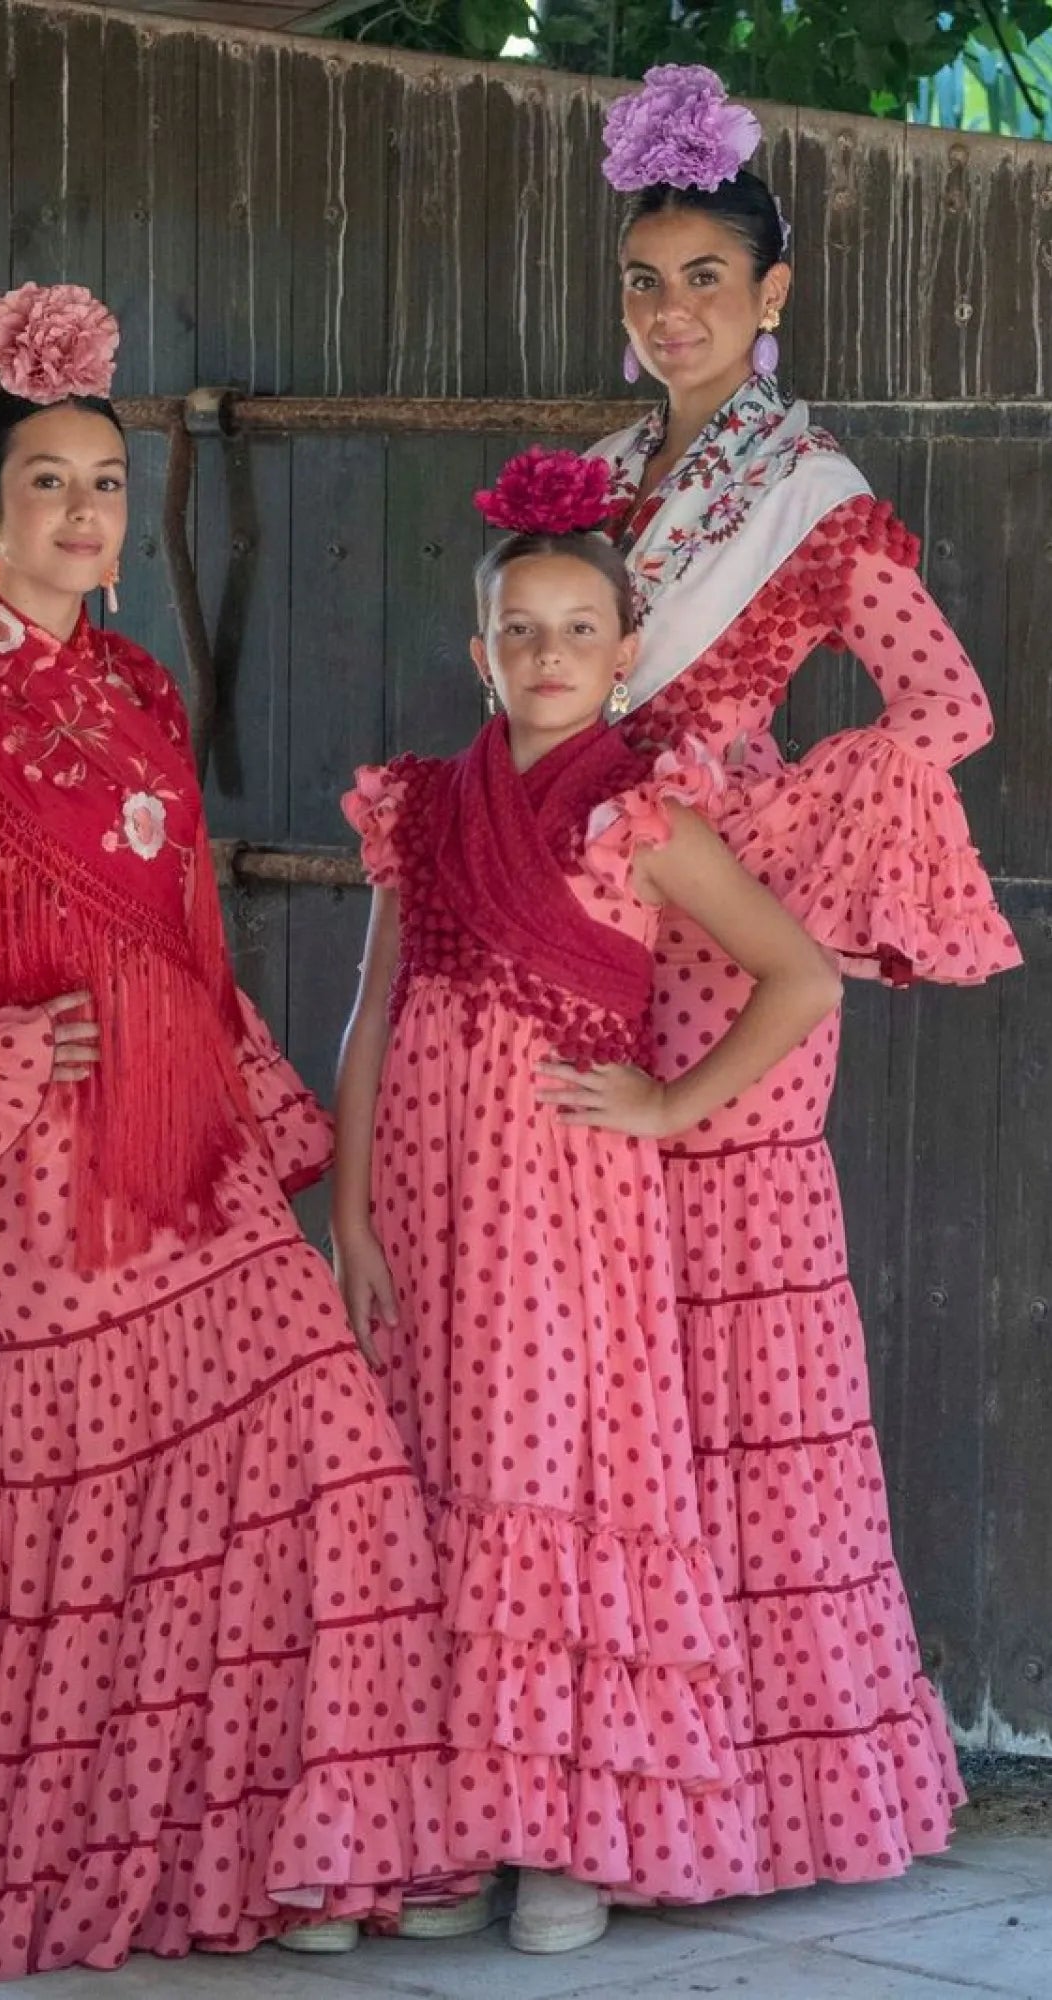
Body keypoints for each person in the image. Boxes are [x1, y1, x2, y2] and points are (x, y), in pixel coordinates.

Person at [0, 283, 459, 1997]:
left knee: (319, 1448)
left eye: (106, 483)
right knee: (100, 1513)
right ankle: (74, 1882)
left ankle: (299, 1854)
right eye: (45, 483)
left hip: (189, 1142)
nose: (81, 510)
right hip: (56, 1180)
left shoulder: (136, 681)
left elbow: (183, 931)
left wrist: (222, 1089)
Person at [587, 66, 1021, 1890]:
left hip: (731, 941)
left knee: (742, 1351)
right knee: (610, 1335)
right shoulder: (601, 478)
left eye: (708, 278)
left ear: (773, 294)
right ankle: (626, 1784)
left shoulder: (810, 489)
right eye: (646, 281)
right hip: (591, 910)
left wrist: (767, 823)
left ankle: (770, 1797)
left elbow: (949, 710)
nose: (673, 310)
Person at [333, 446, 843, 1953]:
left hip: (564, 1202)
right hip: (421, 1189)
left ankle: (568, 1837)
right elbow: (371, 1014)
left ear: (626, 654)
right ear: (479, 651)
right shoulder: (421, 808)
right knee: (430, 1471)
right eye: (520, 631)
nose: (547, 655)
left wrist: (673, 1106)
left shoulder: (644, 815)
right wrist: (349, 1216)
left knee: (552, 1469)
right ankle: (446, 1833)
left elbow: (801, 978)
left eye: (577, 631)